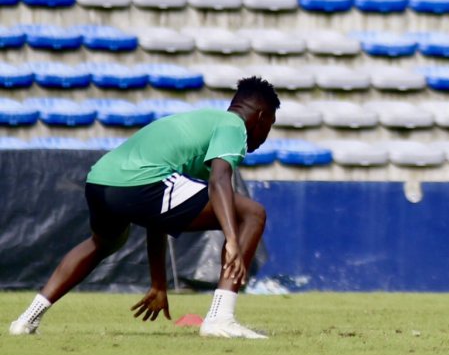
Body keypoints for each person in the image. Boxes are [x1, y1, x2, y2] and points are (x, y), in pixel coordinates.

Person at [8, 76, 279, 340]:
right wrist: (231, 239)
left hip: (100, 181)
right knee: (252, 214)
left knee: (102, 243)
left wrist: (159, 284)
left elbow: (157, 216)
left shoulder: (201, 123)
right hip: (142, 183)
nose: (266, 136)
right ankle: (221, 319)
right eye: (270, 125)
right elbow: (219, 180)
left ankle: (27, 318)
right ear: (261, 117)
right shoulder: (233, 126)